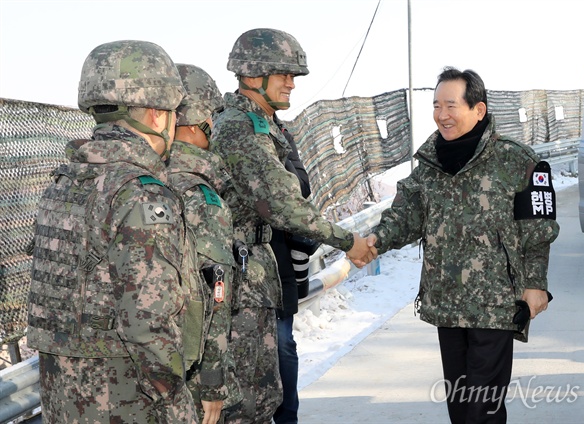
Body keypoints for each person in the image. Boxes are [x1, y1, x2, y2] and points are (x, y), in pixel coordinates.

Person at [366, 67, 560, 423]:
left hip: (496, 304)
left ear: (479, 110)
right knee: (460, 407)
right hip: (448, 303)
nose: (442, 114)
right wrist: (375, 240)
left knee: (482, 408)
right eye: (437, 105)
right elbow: (406, 216)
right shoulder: (429, 163)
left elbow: (538, 230)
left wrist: (536, 285)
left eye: (451, 105)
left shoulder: (516, 159)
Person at [26, 40, 198, 423]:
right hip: (125, 398)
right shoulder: (140, 193)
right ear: (156, 114)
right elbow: (147, 322)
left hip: (63, 395)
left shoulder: (64, 182)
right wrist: (176, 402)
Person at [209, 28, 376, 423]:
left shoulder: (265, 123)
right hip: (238, 277)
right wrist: (346, 240)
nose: (291, 84)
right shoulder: (238, 127)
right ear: (252, 75)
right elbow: (283, 204)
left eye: (293, 76)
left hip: (260, 268)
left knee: (268, 385)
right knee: (249, 398)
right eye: (282, 74)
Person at [168, 63, 242, 424]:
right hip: (191, 372)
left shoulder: (140, 180)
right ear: (200, 124)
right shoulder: (200, 195)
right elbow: (215, 293)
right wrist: (213, 385)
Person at [270, 114, 313, 424]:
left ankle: (288, 418)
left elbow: (303, 184)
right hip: (237, 260)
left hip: (278, 255)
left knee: (284, 343)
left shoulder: (280, 131)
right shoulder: (227, 127)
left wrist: (274, 170)